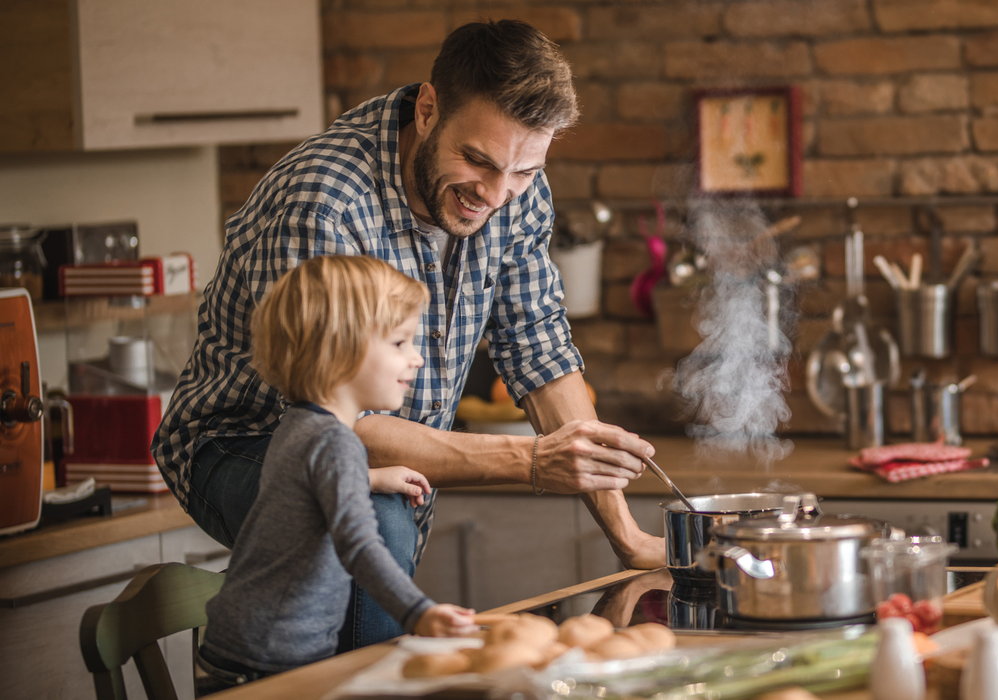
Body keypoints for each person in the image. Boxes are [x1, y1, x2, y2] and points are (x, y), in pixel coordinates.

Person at [152, 19, 663, 652]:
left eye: (525, 172)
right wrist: (530, 462)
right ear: (428, 109)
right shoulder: (326, 201)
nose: (497, 194)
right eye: (476, 160)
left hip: (384, 455)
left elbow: (539, 348)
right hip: (241, 442)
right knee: (371, 516)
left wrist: (627, 535)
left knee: (378, 536)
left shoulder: (514, 188)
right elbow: (335, 420)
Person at [199, 256, 476, 685]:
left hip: (243, 645)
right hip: (272, 660)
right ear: (339, 348)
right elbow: (361, 545)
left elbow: (296, 492)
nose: (417, 359)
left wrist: (370, 478)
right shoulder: (336, 442)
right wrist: (418, 612)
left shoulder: (298, 424)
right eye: (400, 343)